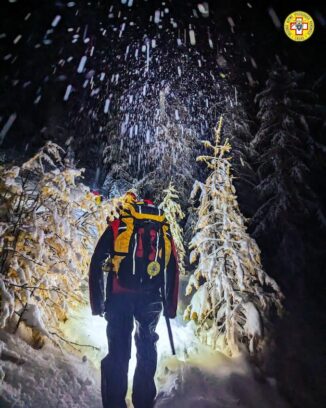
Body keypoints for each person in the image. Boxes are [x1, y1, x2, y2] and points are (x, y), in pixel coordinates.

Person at [89, 188, 179, 408]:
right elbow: (173, 267)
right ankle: (143, 401)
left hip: (120, 297)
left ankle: (114, 404)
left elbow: (97, 261)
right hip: (151, 298)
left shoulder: (120, 224)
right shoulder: (161, 228)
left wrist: (97, 303)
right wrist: (170, 306)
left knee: (118, 351)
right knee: (147, 346)